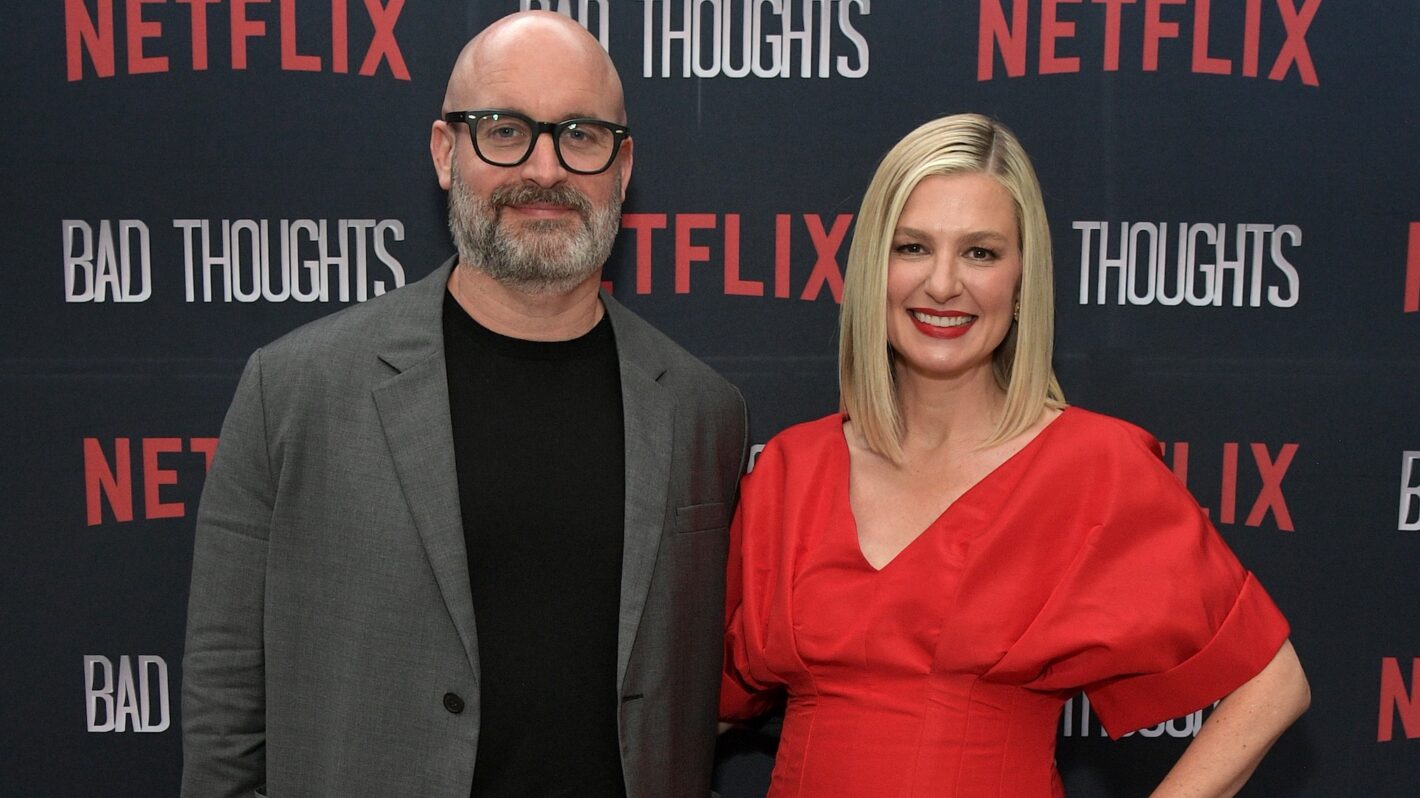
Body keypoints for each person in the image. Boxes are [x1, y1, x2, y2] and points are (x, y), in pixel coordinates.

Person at [181, 11, 746, 798]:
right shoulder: (294, 390)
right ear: (447, 152)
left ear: (622, 168)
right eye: (505, 130)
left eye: (581, 134)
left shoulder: (703, 411)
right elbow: (225, 705)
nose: (545, 169)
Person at [719, 114, 1309, 797]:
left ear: (1024, 279)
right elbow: (700, 698)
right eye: (913, 247)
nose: (943, 285)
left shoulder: (1092, 466)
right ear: (872, 264)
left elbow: (1272, 684)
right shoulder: (792, 469)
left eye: (980, 253)